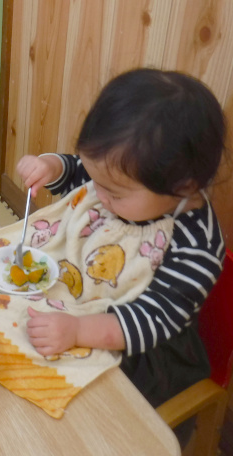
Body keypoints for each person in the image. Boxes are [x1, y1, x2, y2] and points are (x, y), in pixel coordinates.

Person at [16, 68, 227, 440]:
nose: (98, 194)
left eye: (112, 192)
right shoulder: (122, 179)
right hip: (81, 306)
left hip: (144, 363)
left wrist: (79, 329)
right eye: (98, 181)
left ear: (184, 186)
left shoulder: (197, 246)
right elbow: (80, 173)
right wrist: (49, 166)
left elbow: (148, 321)